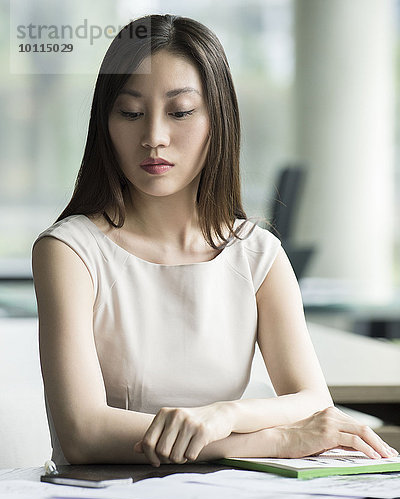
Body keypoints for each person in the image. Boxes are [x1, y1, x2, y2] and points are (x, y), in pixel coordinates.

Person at [32, 14, 397, 466]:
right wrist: (268, 440)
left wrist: (224, 415)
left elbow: (313, 402)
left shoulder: (256, 253)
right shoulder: (70, 252)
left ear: (216, 118)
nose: (154, 138)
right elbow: (83, 433)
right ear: (105, 123)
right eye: (130, 113)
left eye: (180, 112)